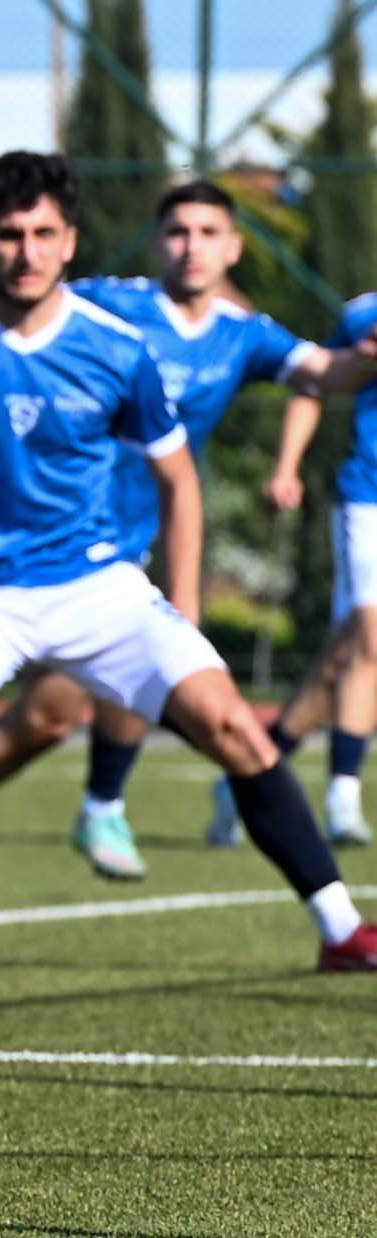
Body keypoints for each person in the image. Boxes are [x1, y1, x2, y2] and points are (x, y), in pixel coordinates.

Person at [0, 150, 377, 980]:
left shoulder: (117, 349)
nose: (27, 252)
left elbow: (178, 479)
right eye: (8, 234)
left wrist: (184, 608)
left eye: (43, 234)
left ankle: (340, 929)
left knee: (231, 724)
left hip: (98, 587)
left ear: (70, 242)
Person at [215, 290, 377, 850]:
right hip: (369, 501)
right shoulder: (365, 316)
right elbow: (313, 381)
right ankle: (343, 798)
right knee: (370, 641)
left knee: (343, 661)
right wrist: (286, 467)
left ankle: (248, 774)